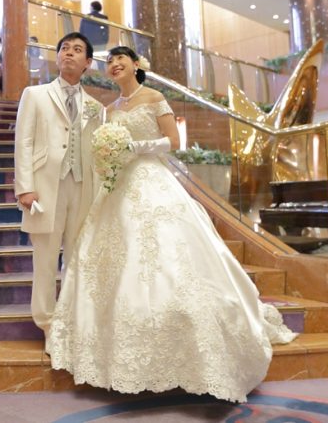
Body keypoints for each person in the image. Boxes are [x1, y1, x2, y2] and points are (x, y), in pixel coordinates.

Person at [47, 46, 297, 403]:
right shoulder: (109, 109)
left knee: (166, 253)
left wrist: (136, 147)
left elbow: (173, 142)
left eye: (121, 59)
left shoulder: (154, 97)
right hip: (117, 187)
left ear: (136, 65)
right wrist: (110, 155)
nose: (114, 64)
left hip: (151, 178)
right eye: (110, 61)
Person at [14, 32, 104, 341]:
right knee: (46, 258)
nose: (69, 53)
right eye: (65, 48)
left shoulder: (95, 107)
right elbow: (23, 142)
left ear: (87, 62)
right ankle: (48, 324)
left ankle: (71, 318)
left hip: (82, 186)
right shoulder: (35, 94)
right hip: (45, 186)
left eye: (77, 50)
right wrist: (25, 186)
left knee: (77, 257)